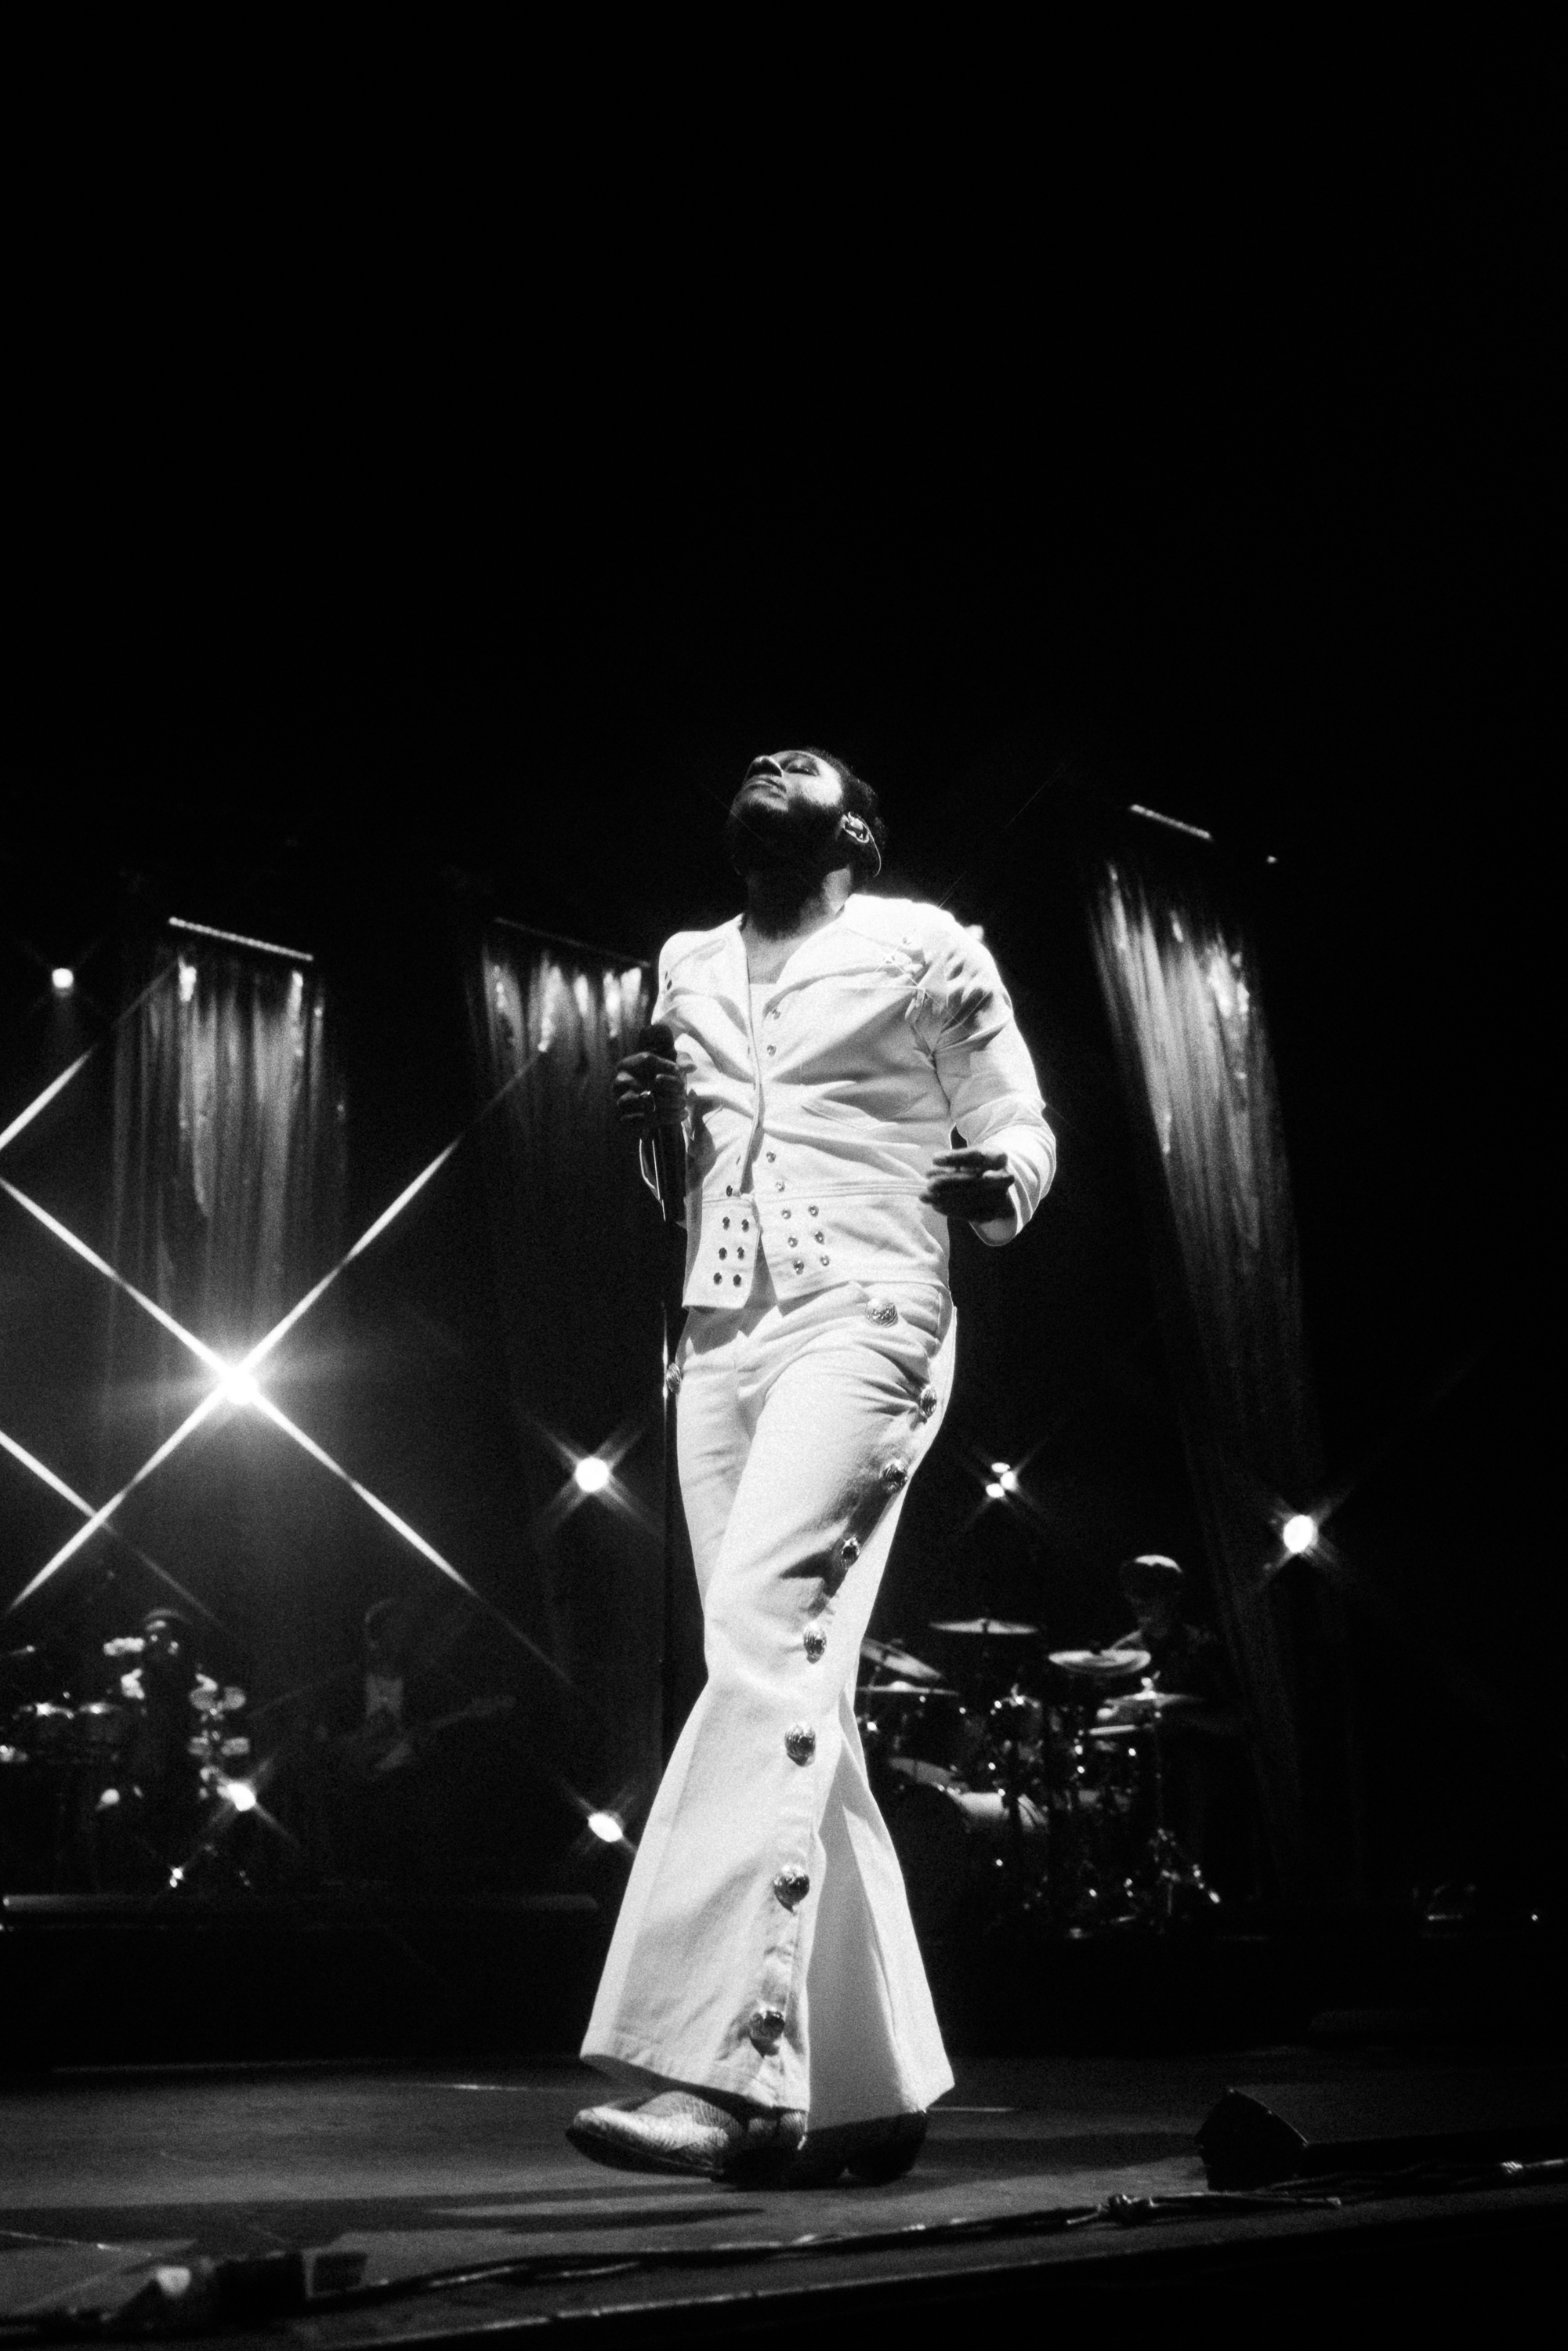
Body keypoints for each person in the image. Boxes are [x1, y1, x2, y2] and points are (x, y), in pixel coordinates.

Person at [569, 747, 1056, 2184]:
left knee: (758, 1641)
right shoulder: (686, 960)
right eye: (757, 760)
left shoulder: (922, 944)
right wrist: (656, 1135)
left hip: (868, 1309)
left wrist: (1003, 1182)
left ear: (859, 831)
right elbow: (689, 1169)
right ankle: (871, 2087)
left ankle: (726, 2072)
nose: (771, 759)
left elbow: (1016, 1118)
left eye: (808, 764)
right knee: (794, 1688)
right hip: (723, 1331)